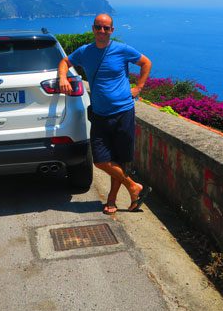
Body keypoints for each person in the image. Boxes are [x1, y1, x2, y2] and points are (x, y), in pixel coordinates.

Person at [58, 13, 153, 214]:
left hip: (123, 112)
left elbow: (146, 63)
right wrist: (62, 78)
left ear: (112, 31)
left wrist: (139, 87)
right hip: (100, 114)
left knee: (118, 159)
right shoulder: (85, 52)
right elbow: (65, 62)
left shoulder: (122, 50)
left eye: (106, 28)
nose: (102, 31)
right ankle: (133, 186)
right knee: (101, 160)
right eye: (98, 27)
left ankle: (112, 199)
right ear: (93, 29)